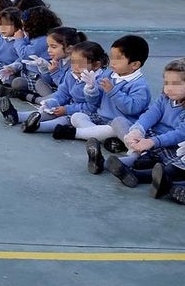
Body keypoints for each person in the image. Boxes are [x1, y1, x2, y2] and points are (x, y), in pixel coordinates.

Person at [103, 59, 185, 193]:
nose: (168, 88)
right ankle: (139, 153)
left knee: (169, 166)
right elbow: (152, 113)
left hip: (170, 145)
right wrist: (138, 130)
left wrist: (152, 142)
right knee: (119, 122)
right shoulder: (165, 97)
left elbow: (180, 134)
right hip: (151, 137)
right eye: (166, 83)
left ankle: (114, 165)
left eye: (175, 84)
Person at [58, 34, 151, 146]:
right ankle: (102, 138)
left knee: (113, 128)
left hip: (121, 123)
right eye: (112, 57)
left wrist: (113, 91)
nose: (112, 62)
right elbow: (94, 102)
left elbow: (132, 109)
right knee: (77, 116)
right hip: (100, 118)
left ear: (135, 64)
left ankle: (76, 133)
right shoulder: (109, 74)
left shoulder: (140, 85)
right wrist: (91, 88)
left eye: (118, 59)